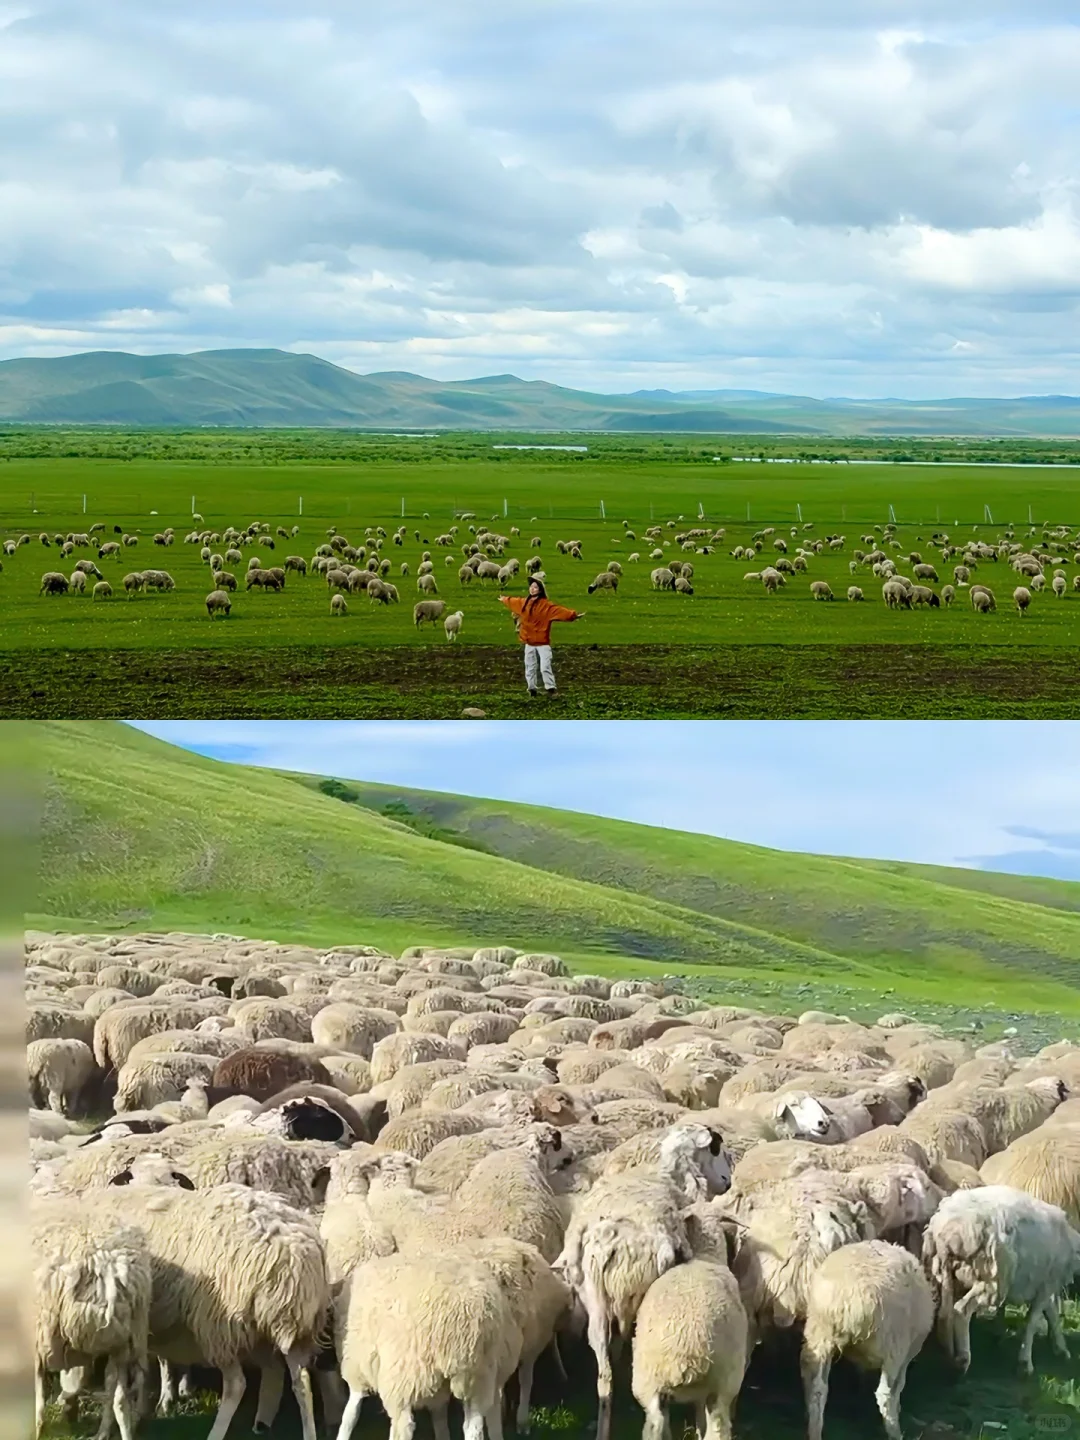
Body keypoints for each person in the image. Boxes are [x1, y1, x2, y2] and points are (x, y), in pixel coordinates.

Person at [498, 578, 584, 698]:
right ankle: (532, 689)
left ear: (540, 590)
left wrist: (573, 615)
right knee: (530, 667)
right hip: (529, 642)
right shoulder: (525, 603)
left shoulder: (546, 606)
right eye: (531, 587)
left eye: (535, 587)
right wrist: (505, 599)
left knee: (545, 667)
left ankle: (551, 689)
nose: (532, 589)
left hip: (542, 643)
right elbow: (514, 601)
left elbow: (559, 611)